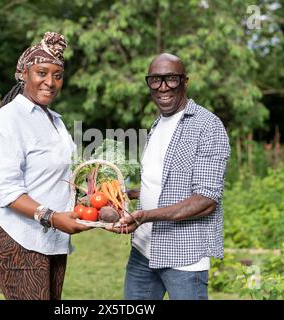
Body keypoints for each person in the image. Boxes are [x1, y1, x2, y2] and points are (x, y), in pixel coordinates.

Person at [0, 31, 90, 300]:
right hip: (17, 235)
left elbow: (59, 177)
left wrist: (104, 198)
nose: (50, 82)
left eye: (57, 75)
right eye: (41, 72)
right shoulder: (9, 120)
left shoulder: (55, 120)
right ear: (23, 74)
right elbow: (8, 191)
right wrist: (53, 217)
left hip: (51, 238)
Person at [108, 53, 230, 300]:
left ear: (185, 81)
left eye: (171, 79)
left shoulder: (207, 126)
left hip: (183, 257)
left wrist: (145, 217)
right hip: (143, 252)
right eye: (155, 80)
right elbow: (165, 186)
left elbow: (205, 200)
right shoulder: (157, 125)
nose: (163, 87)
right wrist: (128, 194)